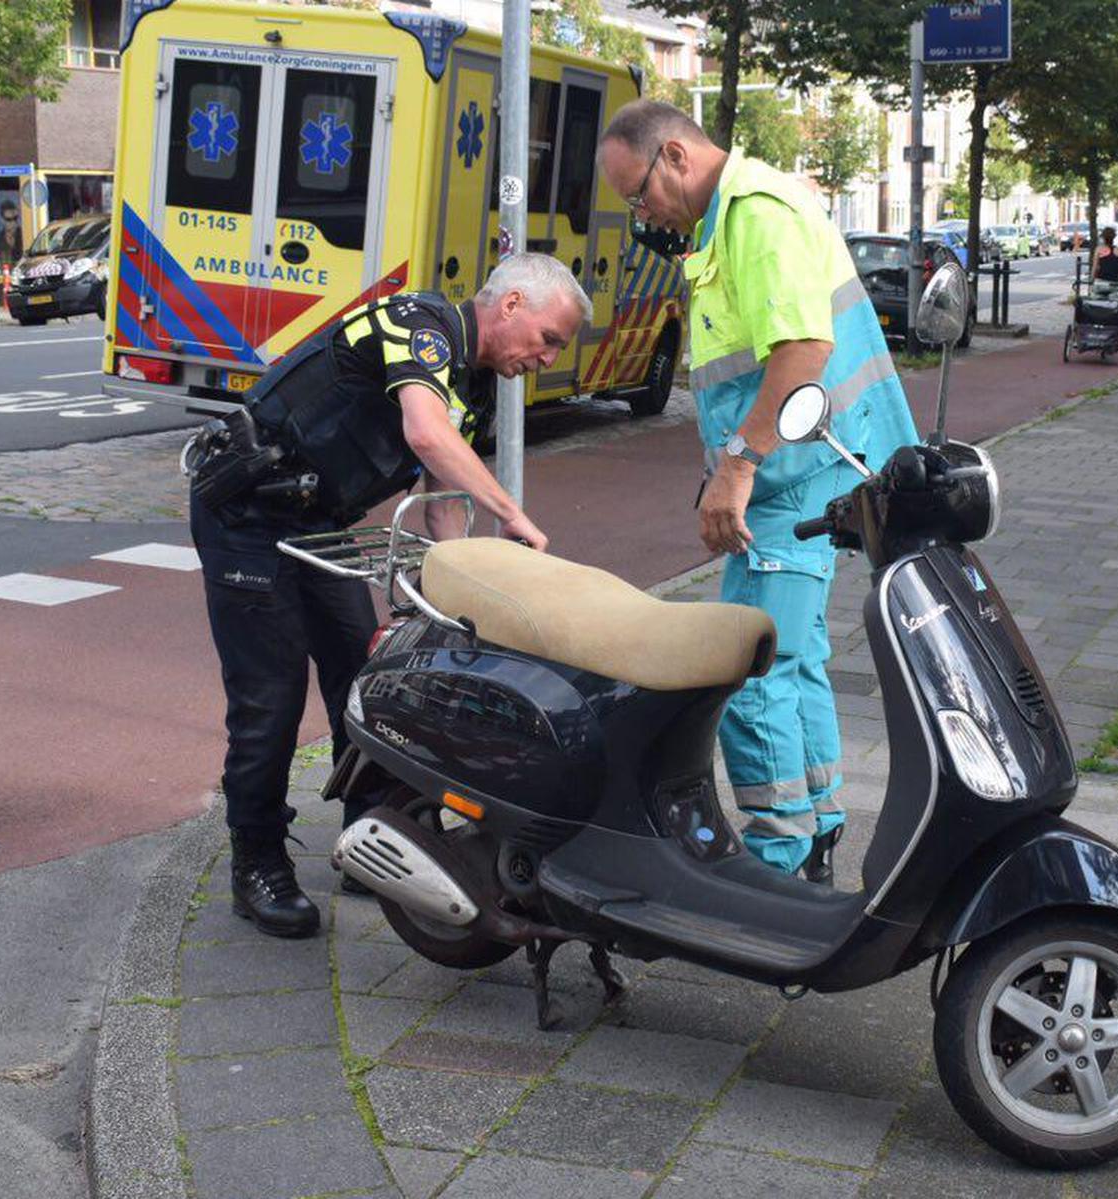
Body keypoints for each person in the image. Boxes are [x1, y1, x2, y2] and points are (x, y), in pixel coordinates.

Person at [189, 254, 582, 938]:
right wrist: (512, 515)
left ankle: (368, 844)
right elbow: (425, 433)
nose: (546, 358)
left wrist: (463, 592)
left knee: (362, 677)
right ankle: (257, 864)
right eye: (549, 338)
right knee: (270, 697)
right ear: (512, 304)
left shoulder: (474, 384)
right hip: (245, 512)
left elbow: (442, 499)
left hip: (315, 521)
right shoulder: (419, 323)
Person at [597, 101, 918, 883]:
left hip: (793, 480)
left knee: (748, 667)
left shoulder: (755, 215)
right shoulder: (732, 219)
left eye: (638, 193)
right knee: (796, 658)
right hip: (813, 471)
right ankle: (819, 830)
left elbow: (803, 347)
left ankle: (776, 858)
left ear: (673, 155)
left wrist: (736, 468)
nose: (641, 214)